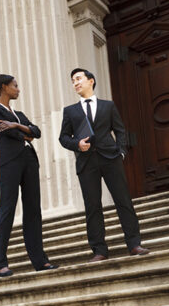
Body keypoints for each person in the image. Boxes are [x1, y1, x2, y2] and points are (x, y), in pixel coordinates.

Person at [58, 68, 149, 261]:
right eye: (73, 80)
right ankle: (99, 251)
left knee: (123, 201)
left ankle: (134, 244)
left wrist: (121, 152)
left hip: (110, 159)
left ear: (91, 81)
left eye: (79, 78)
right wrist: (77, 144)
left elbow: (120, 130)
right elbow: (63, 138)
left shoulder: (108, 106)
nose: (75, 83)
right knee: (92, 207)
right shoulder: (70, 111)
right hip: (86, 162)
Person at [0, 74, 57, 277]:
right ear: (4, 87)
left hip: (29, 160)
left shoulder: (19, 114)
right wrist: (24, 132)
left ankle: (40, 261)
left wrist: (16, 125)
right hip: (9, 162)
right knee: (7, 209)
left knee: (34, 210)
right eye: (15, 85)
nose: (18, 89)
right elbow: (1, 130)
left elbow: (37, 132)